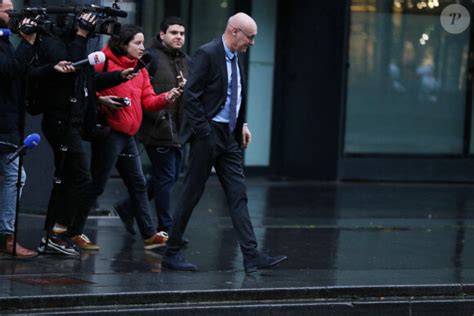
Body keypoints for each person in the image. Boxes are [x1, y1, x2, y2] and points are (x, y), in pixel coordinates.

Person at [162, 12, 287, 273]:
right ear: (234, 32)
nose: (252, 43)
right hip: (208, 135)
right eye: (249, 37)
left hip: (228, 137)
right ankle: (171, 253)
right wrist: (205, 133)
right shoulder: (207, 53)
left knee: (238, 194)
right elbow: (192, 98)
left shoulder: (237, 56)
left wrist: (242, 124)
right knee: (191, 194)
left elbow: (234, 94)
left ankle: (251, 255)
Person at [68, 24, 182, 250]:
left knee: (138, 184)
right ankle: (75, 232)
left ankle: (149, 235)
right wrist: (101, 101)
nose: (142, 48)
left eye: (142, 43)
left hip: (128, 135)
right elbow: (86, 88)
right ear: (123, 44)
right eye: (137, 43)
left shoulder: (139, 69)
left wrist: (168, 96)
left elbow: (148, 100)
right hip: (109, 133)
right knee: (98, 184)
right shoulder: (104, 61)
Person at [31, 13, 133, 256]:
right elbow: (72, 68)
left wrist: (117, 75)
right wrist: (80, 35)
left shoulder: (79, 45)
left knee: (67, 179)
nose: (91, 28)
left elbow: (87, 77)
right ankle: (57, 234)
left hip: (74, 123)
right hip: (60, 121)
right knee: (80, 179)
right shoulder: (56, 44)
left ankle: (54, 235)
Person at [114, 16, 188, 237]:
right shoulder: (150, 58)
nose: (178, 37)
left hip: (178, 130)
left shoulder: (185, 60)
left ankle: (128, 207)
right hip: (156, 127)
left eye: (182, 34)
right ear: (162, 34)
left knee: (171, 176)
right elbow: (138, 91)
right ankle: (166, 227)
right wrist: (158, 118)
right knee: (165, 177)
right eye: (174, 32)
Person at [0, 0, 38, 257]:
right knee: (15, 177)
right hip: (3, 125)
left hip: (6, 124)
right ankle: (7, 238)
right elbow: (7, 71)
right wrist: (27, 43)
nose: (12, 14)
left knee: (15, 177)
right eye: (7, 9)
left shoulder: (4, 40)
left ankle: (7, 236)